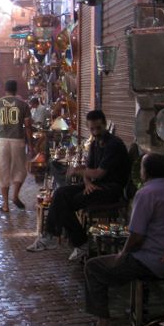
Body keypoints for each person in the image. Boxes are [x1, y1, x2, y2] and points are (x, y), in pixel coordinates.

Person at [77, 153, 164, 326]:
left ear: (145, 172)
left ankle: (103, 323)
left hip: (152, 262)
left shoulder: (146, 193)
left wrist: (122, 254)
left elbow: (136, 236)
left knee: (93, 267)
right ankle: (139, 308)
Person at [39, 110, 130, 261]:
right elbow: (89, 171)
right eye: (92, 129)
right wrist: (86, 182)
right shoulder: (94, 144)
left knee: (64, 204)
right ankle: (52, 236)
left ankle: (78, 242)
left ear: (105, 125)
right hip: (95, 185)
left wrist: (80, 173)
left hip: (111, 189)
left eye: (98, 128)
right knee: (61, 193)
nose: (95, 132)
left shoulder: (114, 144)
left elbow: (98, 173)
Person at [0, 80, 32, 213]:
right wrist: (30, 144)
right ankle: (15, 195)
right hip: (18, 141)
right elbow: (28, 127)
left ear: (4, 89)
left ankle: (6, 205)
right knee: (20, 170)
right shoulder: (23, 105)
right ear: (16, 89)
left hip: (1, 141)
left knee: (2, 172)